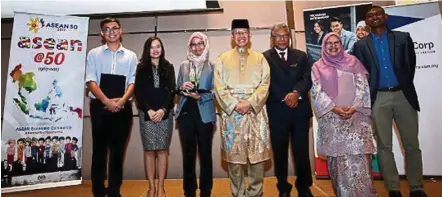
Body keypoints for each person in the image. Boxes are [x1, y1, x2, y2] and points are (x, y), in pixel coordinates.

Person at [353, 5, 427, 197]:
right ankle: (393, 189)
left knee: (412, 145)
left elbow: (410, 66)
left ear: (385, 17)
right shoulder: (360, 46)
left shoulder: (403, 38)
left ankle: (417, 187)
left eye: (378, 14)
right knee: (384, 147)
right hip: (378, 98)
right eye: (370, 16)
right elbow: (362, 74)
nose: (375, 17)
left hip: (403, 95)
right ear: (367, 21)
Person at [311, 32, 377, 196]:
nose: (333, 46)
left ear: (342, 44)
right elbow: (317, 92)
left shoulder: (353, 62)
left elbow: (363, 87)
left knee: (360, 159)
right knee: (339, 164)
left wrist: (354, 107)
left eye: (337, 43)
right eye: (329, 43)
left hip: (357, 118)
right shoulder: (317, 67)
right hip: (333, 120)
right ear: (324, 46)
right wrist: (335, 108)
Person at [214, 19, 271, 197]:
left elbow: (265, 84)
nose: (241, 36)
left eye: (244, 32)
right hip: (232, 115)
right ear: (232, 36)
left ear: (249, 35)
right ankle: (237, 193)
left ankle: (255, 192)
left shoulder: (260, 58)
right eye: (237, 33)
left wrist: (251, 102)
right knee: (235, 158)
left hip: (256, 112)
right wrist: (234, 104)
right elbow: (219, 87)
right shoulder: (222, 59)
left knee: (257, 157)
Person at [85, 17, 137, 197]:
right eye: (107, 29)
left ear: (121, 31)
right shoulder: (93, 54)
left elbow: (132, 82)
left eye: (115, 28)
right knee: (99, 151)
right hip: (99, 108)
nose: (111, 32)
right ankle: (98, 191)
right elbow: (91, 81)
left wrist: (122, 101)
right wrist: (106, 101)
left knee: (117, 152)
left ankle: (115, 191)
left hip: (123, 109)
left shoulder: (131, 56)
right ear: (102, 33)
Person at [262, 23, 313, 197]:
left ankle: (303, 186)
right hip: (278, 111)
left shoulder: (301, 56)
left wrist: (296, 93)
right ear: (272, 39)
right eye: (278, 36)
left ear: (289, 38)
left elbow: (308, 78)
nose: (282, 39)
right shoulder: (264, 58)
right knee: (280, 152)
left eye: (285, 36)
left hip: (299, 111)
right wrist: (285, 96)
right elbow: (266, 83)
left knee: (301, 151)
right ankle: (283, 187)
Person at [134, 36, 176, 197]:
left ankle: (161, 187)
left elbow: (172, 91)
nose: (156, 49)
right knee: (150, 151)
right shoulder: (141, 68)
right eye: (152, 47)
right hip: (147, 114)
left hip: (165, 114)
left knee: (163, 150)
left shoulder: (168, 67)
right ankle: (151, 187)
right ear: (147, 49)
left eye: (158, 46)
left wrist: (164, 110)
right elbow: (138, 92)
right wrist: (149, 110)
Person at [175, 32, 216, 197]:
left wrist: (201, 96)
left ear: (205, 45)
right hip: (186, 112)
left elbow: (217, 91)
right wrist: (182, 87)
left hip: (204, 112)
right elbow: (176, 89)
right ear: (189, 47)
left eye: (200, 44)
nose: (197, 47)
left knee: (205, 154)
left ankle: (206, 191)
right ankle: (189, 191)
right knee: (188, 154)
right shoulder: (184, 66)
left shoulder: (213, 66)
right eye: (194, 44)